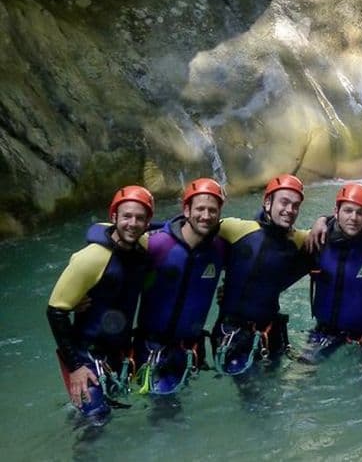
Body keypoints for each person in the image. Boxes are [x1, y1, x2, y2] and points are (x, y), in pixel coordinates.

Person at [47, 185, 154, 421]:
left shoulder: (143, 248)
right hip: (86, 355)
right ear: (113, 217)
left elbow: (172, 228)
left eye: (140, 218)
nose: (132, 223)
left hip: (118, 353)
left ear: (147, 222)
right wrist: (75, 367)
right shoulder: (91, 258)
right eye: (126, 216)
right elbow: (55, 311)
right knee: (96, 419)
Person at [212, 174, 314, 375]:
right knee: (253, 389)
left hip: (271, 331)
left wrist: (321, 221)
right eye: (284, 202)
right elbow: (189, 226)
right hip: (233, 333)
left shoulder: (298, 239)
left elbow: (337, 228)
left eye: (295, 206)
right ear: (267, 203)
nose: (290, 210)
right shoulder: (237, 229)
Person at [134, 178, 228, 395]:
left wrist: (229, 291)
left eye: (212, 210)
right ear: (186, 210)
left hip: (190, 350)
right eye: (200, 209)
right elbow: (117, 263)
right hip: (152, 348)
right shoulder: (157, 245)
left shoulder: (220, 248)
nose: (206, 216)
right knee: (166, 406)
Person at [302, 182, 362, 362]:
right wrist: (321, 219)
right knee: (301, 371)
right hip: (325, 332)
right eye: (348, 211)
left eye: (360, 213)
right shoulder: (318, 239)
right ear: (336, 212)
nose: (353, 218)